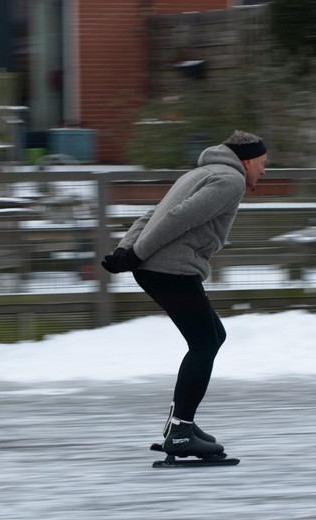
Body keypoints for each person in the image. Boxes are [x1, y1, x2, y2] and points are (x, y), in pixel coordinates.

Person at [101, 130, 267, 459]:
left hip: (159, 266)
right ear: (246, 161)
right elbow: (177, 219)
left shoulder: (200, 173)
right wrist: (134, 254)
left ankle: (180, 425)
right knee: (205, 341)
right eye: (262, 164)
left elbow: (152, 214)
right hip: (169, 268)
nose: (264, 171)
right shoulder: (230, 180)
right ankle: (180, 431)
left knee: (212, 336)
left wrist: (126, 251)